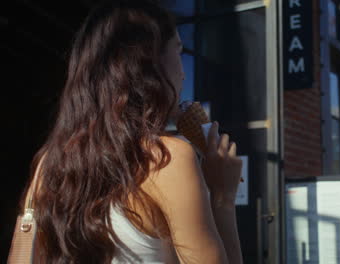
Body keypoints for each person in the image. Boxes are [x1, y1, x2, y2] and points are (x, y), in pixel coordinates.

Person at [20, 0, 243, 263]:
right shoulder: (166, 158)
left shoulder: (49, 164)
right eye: (178, 53)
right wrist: (223, 197)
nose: (183, 73)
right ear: (147, 65)